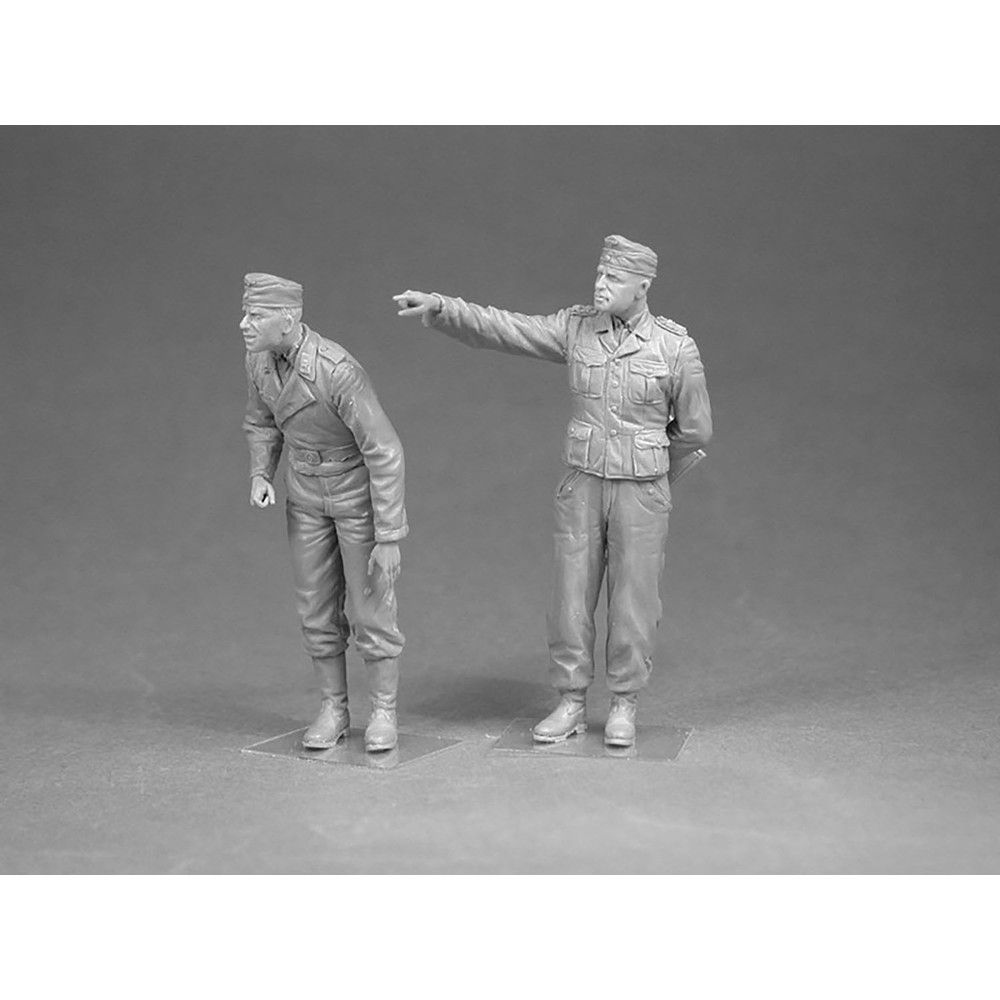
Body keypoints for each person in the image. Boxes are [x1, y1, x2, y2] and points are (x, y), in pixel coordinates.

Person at [394, 235, 712, 747]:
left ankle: (624, 703)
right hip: (582, 485)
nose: (600, 284)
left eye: (614, 278)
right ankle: (570, 700)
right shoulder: (576, 328)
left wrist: (651, 471)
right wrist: (444, 309)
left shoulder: (674, 347)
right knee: (569, 597)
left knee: (634, 602)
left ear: (643, 286)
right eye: (600, 274)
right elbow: (508, 328)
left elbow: (695, 430)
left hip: (640, 493)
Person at [241, 272, 406, 752]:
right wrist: (260, 473)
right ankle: (333, 708)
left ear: (287, 319)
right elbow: (261, 421)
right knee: (314, 608)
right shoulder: (259, 362)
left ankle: (384, 711)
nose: (244, 324)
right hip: (305, 496)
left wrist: (389, 535)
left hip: (354, 498)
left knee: (371, 609)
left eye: (255, 315)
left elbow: (385, 451)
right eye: (246, 313)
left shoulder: (337, 371)